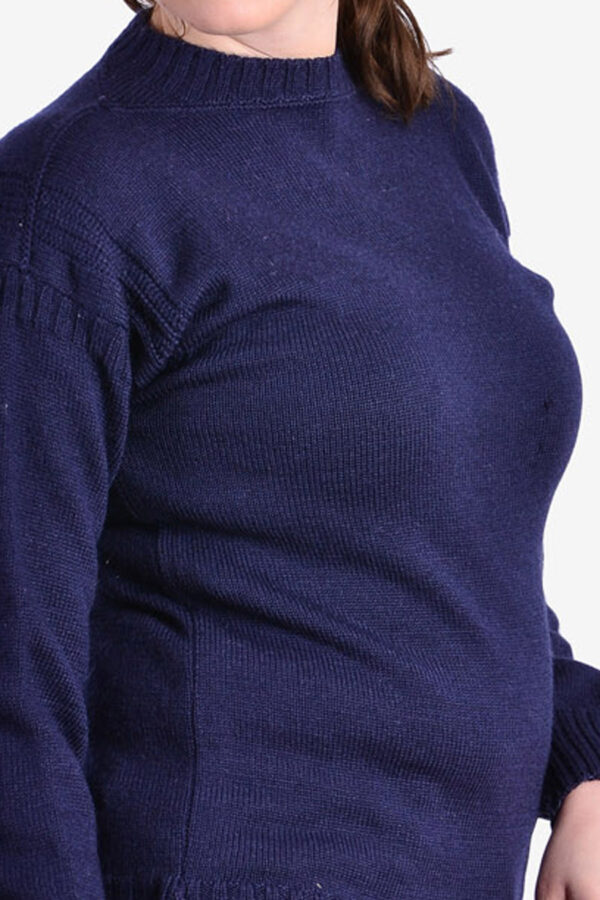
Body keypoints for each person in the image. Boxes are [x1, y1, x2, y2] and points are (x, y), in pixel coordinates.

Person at [0, 1, 599, 897]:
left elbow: (445, 537)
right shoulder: (63, 195)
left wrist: (583, 759)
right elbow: (14, 677)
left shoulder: (436, 129)